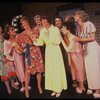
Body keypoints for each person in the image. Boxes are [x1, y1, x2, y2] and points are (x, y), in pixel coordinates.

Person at [33, 15, 67, 97]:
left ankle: (59, 88)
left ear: (48, 21)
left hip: (55, 50)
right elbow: (41, 42)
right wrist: (34, 40)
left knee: (57, 69)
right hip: (48, 51)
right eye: (42, 21)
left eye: (45, 21)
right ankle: (54, 88)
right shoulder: (42, 31)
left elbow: (58, 41)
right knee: (50, 69)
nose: (43, 23)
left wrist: (49, 39)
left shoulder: (55, 29)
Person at [74, 10, 100, 98]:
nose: (74, 16)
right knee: (89, 69)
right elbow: (80, 39)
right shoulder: (79, 27)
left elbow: (92, 38)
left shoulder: (88, 24)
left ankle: (97, 90)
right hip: (85, 48)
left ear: (81, 16)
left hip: (92, 47)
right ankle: (91, 87)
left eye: (76, 15)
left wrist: (78, 40)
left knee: (94, 69)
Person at [19, 16, 44, 98]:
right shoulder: (21, 34)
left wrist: (33, 36)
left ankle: (39, 86)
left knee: (39, 71)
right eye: (23, 23)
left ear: (28, 22)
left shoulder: (35, 30)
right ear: (22, 25)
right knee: (28, 72)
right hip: (28, 53)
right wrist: (23, 50)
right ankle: (26, 89)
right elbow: (17, 46)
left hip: (36, 50)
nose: (24, 24)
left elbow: (40, 40)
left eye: (25, 22)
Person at [61, 21, 86, 94]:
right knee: (75, 69)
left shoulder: (73, 37)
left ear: (68, 29)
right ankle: (79, 85)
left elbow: (68, 49)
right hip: (73, 56)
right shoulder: (68, 36)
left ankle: (82, 88)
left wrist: (61, 40)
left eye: (64, 28)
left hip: (77, 56)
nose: (62, 29)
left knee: (79, 69)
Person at [3, 25, 19, 94]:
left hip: (18, 58)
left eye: (14, 29)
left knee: (14, 74)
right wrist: (12, 48)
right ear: (8, 32)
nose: (14, 31)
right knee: (9, 74)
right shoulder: (6, 42)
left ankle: (13, 84)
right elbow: (6, 53)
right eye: (12, 30)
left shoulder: (17, 37)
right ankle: (9, 87)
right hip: (10, 60)